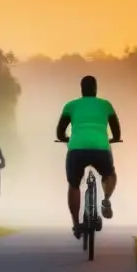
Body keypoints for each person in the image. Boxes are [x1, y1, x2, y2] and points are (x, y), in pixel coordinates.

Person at [56, 74, 122, 239]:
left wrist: (66, 139)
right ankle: (106, 199)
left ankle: (76, 224)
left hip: (76, 149)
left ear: (81, 89)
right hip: (101, 147)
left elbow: (59, 131)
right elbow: (117, 131)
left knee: (74, 185)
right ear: (96, 89)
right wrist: (113, 139)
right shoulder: (106, 105)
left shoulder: (70, 106)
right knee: (109, 174)